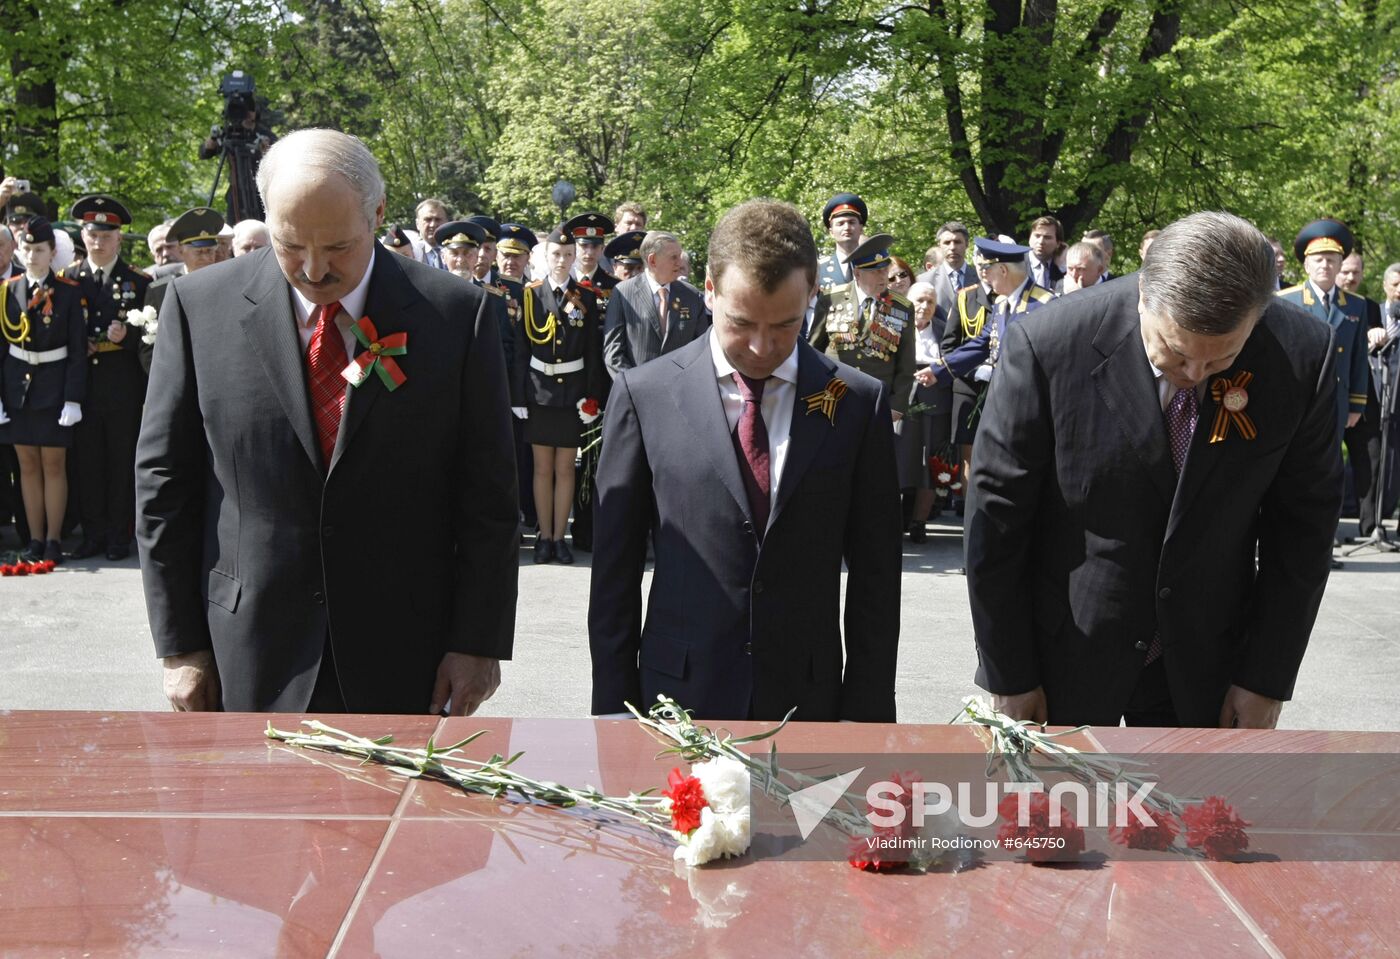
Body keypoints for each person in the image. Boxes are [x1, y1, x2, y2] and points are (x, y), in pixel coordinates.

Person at [135, 128, 519, 715]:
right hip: (248, 648)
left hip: (407, 647)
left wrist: (477, 642)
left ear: (379, 212)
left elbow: (488, 491)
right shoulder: (198, 308)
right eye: (291, 244)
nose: (314, 269)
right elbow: (164, 485)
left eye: (338, 246)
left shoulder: (455, 316)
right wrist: (180, 645)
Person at [967, 211, 1343, 728]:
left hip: (1209, 667)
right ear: (1144, 295)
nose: (1192, 376)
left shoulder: (1304, 357)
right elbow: (996, 519)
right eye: (1175, 351)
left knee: (1197, 812)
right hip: (1065, 659)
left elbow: (1303, 531)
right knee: (1057, 811)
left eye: (1220, 361)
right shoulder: (1048, 346)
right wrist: (1008, 673)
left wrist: (1265, 678)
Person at [589, 198, 901, 721]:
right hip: (676, 700)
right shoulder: (646, 394)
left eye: (785, 325)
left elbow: (876, 574)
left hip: (808, 701)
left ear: (813, 295)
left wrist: (864, 713)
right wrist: (615, 708)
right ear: (709, 291)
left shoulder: (857, 402)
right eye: (741, 322)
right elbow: (614, 570)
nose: (761, 347)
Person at [61, 195, 152, 562]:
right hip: (82, 384)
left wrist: (125, 337)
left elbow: (149, 338)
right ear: (83, 235)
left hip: (120, 384)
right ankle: (92, 532)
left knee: (119, 461)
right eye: (92, 233)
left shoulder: (137, 281)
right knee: (87, 462)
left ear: (119, 238)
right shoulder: (68, 279)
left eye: (106, 234)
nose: (98, 241)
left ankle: (118, 534)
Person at [511, 222, 606, 564]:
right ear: (544, 256)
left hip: (572, 396)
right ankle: (544, 536)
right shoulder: (530, 294)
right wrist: (518, 397)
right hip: (539, 392)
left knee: (566, 468)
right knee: (541, 468)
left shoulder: (587, 297)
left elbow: (593, 352)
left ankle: (560, 539)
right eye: (556, 254)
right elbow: (522, 350)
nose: (563, 260)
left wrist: (593, 398)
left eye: (568, 254)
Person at [0, 217, 87, 564]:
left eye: (39, 249)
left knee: (53, 465)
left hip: (54, 386)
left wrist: (73, 398)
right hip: (17, 389)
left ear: (52, 252)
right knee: (26, 465)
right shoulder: (7, 291)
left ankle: (53, 538)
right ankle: (34, 539)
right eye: (27, 248)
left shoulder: (68, 291)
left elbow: (78, 350)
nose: (33, 255)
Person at [810, 233, 916, 423]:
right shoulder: (830, 298)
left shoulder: (902, 307)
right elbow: (814, 350)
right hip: (834, 398)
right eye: (875, 271)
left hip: (876, 402)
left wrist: (897, 406)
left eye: (885, 269)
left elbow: (906, 364)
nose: (884, 276)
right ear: (857, 273)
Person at [602, 230, 710, 380]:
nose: (680, 263)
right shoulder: (623, 293)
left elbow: (702, 348)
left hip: (680, 389)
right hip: (637, 392)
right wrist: (633, 387)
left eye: (679, 256)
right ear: (652, 261)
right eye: (673, 257)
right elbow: (613, 353)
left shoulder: (691, 296)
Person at [1336, 250, 1384, 540]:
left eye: (1356, 272)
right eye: (1346, 271)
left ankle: (1371, 527)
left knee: (1371, 458)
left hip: (1363, 397)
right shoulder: (1318, 305)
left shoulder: (1368, 307)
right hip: (1329, 399)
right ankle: (1330, 529)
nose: (1351, 277)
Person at [902, 280, 951, 542]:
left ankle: (919, 522)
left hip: (936, 406)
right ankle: (891, 520)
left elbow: (954, 365)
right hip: (902, 406)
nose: (924, 306)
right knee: (898, 461)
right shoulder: (894, 328)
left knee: (930, 466)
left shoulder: (944, 331)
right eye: (919, 300)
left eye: (930, 301)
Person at [817, 193, 866, 292]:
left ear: (861, 228)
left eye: (852, 222)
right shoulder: (818, 269)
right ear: (831, 232)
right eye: (840, 224)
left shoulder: (874, 266)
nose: (847, 228)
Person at [1025, 215, 1065, 292]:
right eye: (1037, 236)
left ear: (1058, 243)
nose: (1041, 242)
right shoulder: (1015, 263)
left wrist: (1063, 265)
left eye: (1047, 237)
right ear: (1030, 238)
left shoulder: (1063, 269)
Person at [415, 198, 450, 270]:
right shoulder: (412, 253)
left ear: (446, 222)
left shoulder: (456, 252)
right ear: (417, 224)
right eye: (428, 219)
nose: (433, 225)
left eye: (438, 219)